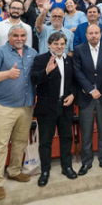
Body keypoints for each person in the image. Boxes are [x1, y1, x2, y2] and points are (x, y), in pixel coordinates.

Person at [0, 25, 38, 200]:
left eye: (22, 35)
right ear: (9, 36)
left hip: (26, 105)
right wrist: (7, 74)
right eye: (15, 35)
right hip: (4, 107)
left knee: (20, 141)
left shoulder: (33, 53)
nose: (19, 38)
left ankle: (14, 171)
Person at [31, 31, 78, 186]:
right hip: (47, 107)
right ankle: (45, 171)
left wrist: (72, 94)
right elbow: (34, 79)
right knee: (45, 141)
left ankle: (67, 167)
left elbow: (75, 82)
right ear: (49, 45)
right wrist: (46, 71)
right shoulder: (40, 59)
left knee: (67, 138)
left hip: (66, 106)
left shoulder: (69, 60)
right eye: (56, 44)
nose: (59, 46)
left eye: (62, 44)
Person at [73, 24, 102, 175]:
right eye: (90, 33)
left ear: (100, 34)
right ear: (86, 35)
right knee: (85, 131)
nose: (93, 35)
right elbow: (77, 72)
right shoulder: (79, 49)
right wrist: (91, 89)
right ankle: (86, 162)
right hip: (86, 96)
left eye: (96, 33)